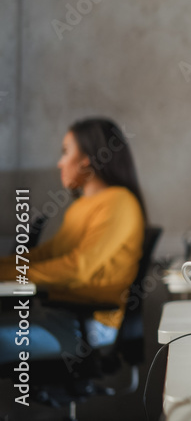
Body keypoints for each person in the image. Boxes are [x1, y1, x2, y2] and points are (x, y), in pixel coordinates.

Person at [0, 118, 146, 361]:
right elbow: (47, 255)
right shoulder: (82, 207)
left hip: (88, 326)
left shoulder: (119, 202)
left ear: (86, 159)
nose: (59, 163)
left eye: (66, 152)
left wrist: (6, 274)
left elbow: (78, 268)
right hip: (63, 316)